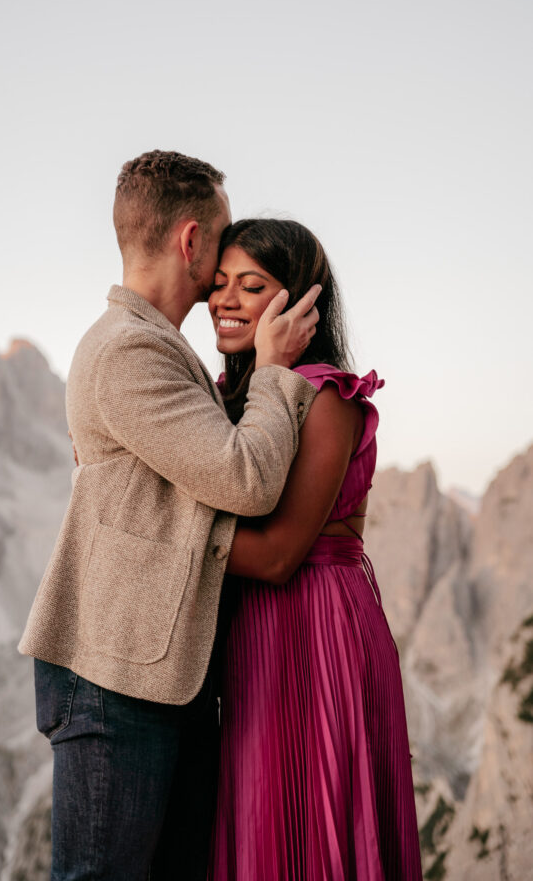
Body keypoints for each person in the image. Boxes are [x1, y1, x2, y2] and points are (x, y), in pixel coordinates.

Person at [18, 152, 322, 881]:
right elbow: (245, 481)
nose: (225, 262)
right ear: (191, 241)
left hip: (155, 670)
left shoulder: (158, 348)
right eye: (220, 240)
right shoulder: (130, 351)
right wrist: (276, 373)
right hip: (114, 676)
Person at [207, 218, 423, 880]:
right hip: (252, 631)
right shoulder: (222, 399)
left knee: (311, 813)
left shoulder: (329, 396)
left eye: (251, 285)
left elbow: (276, 556)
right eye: (218, 284)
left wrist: (155, 529)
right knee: (260, 811)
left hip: (314, 625)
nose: (227, 301)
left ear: (302, 301)